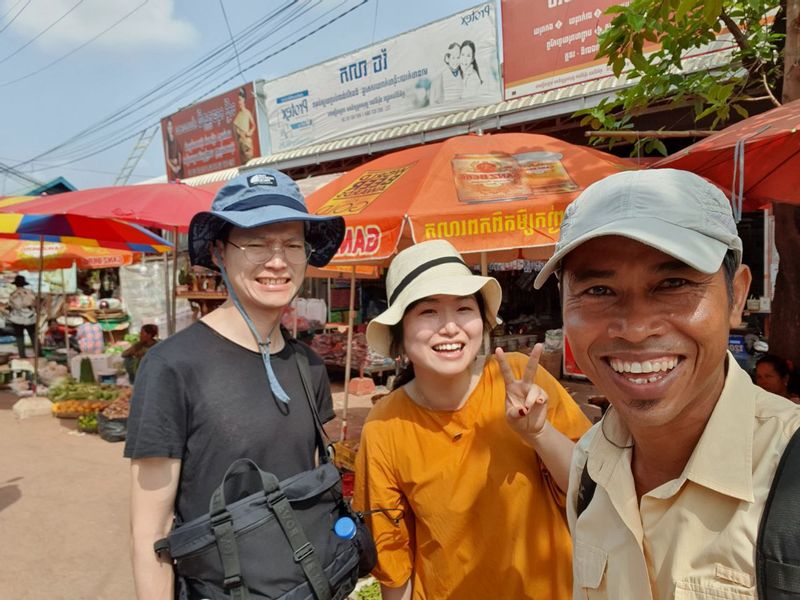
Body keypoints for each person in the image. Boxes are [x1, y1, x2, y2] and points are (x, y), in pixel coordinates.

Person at [532, 169, 800, 599]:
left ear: (737, 295)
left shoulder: (789, 476)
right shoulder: (589, 467)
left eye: (674, 284)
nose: (635, 328)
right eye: (600, 290)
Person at [124, 168, 345, 600]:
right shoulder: (171, 367)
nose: (277, 261)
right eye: (257, 244)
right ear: (220, 252)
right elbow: (149, 531)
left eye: (292, 245)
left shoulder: (308, 365)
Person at [353, 240, 590, 600]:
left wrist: (540, 433)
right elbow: (393, 558)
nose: (450, 327)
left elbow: (589, 490)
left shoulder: (521, 381)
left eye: (463, 308)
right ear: (400, 334)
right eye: (428, 312)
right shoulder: (385, 425)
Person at [5, 275, 37, 358]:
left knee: (19, 337)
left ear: (15, 284)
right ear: (24, 284)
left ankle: (22, 355)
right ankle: (38, 353)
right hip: (30, 318)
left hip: (17, 319)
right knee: (33, 336)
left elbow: (11, 306)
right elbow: (33, 303)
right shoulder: (30, 292)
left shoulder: (13, 294)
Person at [233, 87, 257, 163]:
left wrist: (250, 132)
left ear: (244, 100)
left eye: (240, 100)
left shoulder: (247, 113)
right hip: (241, 142)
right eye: (238, 100)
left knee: (250, 161)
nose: (239, 102)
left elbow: (253, 125)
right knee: (243, 162)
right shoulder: (237, 116)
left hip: (247, 141)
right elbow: (236, 135)